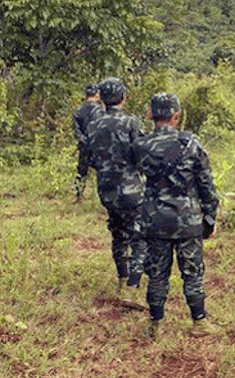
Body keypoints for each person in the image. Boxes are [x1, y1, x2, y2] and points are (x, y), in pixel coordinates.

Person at [134, 93, 220, 338]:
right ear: (177, 116)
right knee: (193, 272)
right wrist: (210, 219)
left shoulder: (142, 146)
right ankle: (199, 322)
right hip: (188, 221)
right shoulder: (191, 145)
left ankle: (155, 324)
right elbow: (207, 187)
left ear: (151, 115)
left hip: (155, 220)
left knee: (157, 273)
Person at [84, 77, 146, 307]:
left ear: (101, 97)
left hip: (106, 189)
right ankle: (133, 287)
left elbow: (88, 157)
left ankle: (122, 278)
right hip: (130, 189)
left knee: (118, 234)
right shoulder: (131, 122)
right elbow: (140, 154)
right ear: (123, 97)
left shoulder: (93, 124)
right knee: (138, 238)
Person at [72, 84, 103, 200]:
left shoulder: (78, 111)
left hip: (84, 146)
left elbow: (76, 131)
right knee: (101, 171)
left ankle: (78, 194)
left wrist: (82, 141)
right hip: (97, 146)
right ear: (97, 95)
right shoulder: (100, 111)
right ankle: (102, 196)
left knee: (81, 171)